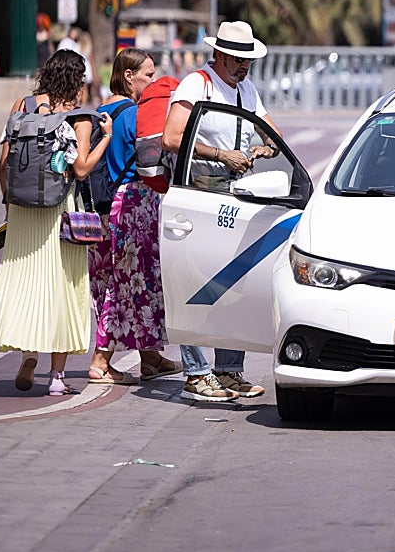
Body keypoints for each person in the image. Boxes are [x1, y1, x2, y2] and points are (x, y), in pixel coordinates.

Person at [0, 49, 114, 396]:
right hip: (59, 210)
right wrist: (107, 138)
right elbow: (81, 169)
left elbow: (4, 162)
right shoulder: (80, 116)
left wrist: (9, 204)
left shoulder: (22, 106)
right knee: (63, 288)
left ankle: (28, 355)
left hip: (23, 210)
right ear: (77, 81)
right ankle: (56, 377)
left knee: (26, 282)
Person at [162, 20, 279, 402]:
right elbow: (171, 137)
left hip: (236, 193)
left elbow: (272, 135)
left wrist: (265, 148)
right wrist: (219, 154)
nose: (245, 66)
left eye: (248, 60)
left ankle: (229, 370)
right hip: (200, 191)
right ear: (220, 54)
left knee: (235, 282)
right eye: (238, 59)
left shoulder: (247, 90)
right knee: (195, 283)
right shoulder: (197, 84)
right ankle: (196, 374)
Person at [86, 48, 183, 385]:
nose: (153, 81)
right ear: (129, 76)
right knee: (129, 284)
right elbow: (152, 160)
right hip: (133, 205)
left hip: (103, 208)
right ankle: (100, 362)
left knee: (122, 281)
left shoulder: (100, 112)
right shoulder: (135, 115)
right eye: (148, 74)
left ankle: (150, 358)